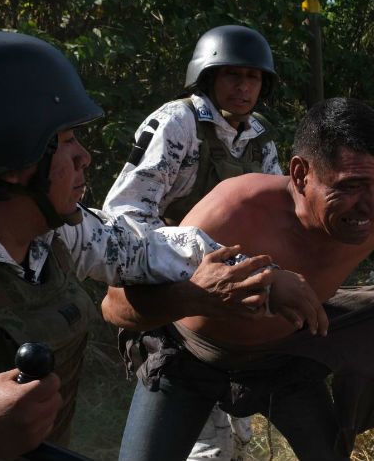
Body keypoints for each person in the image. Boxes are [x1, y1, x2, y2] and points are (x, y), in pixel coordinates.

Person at [0, 31, 323, 461]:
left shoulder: (54, 230)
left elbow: (141, 243)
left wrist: (255, 272)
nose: (86, 157)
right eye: (66, 141)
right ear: (12, 158)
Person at [104, 97, 374, 461]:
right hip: (188, 362)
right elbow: (113, 305)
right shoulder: (233, 212)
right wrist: (196, 296)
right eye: (349, 187)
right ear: (300, 174)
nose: (369, 205)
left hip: (286, 361)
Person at [103, 24, 281, 461]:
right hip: (176, 291)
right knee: (205, 446)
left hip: (235, 295)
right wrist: (195, 254)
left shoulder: (259, 135)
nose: (243, 86)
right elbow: (124, 215)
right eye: (232, 75)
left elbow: (276, 214)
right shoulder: (177, 122)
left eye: (252, 77)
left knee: (239, 432)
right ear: (208, 76)